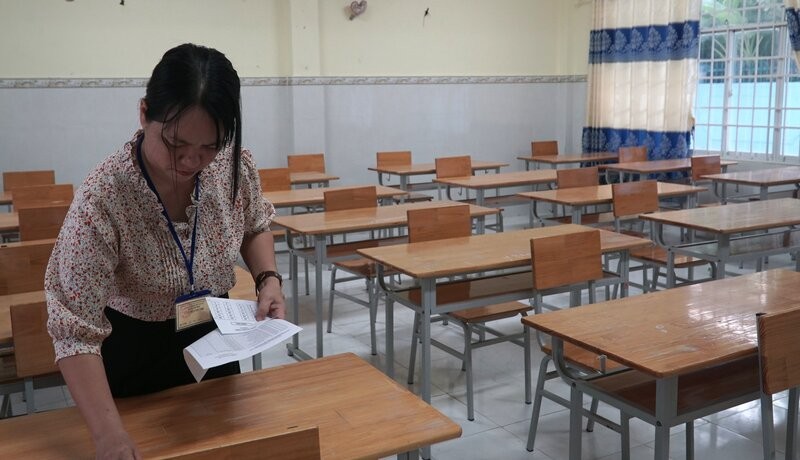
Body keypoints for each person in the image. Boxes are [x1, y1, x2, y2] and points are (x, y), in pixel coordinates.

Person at [45, 43, 286, 459]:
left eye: (208, 146)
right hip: (136, 357)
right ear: (143, 114)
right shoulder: (104, 198)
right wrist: (108, 436)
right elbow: (73, 328)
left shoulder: (230, 166)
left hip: (216, 341)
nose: (191, 161)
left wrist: (268, 277)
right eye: (176, 144)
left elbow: (255, 224)